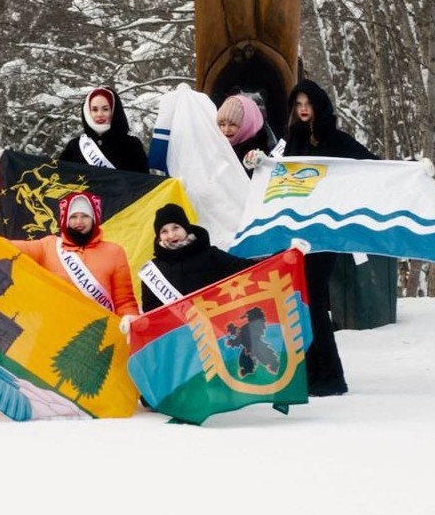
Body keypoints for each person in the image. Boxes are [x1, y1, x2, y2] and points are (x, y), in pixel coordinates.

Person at [271, 78, 379, 397]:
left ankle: (331, 376)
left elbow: (372, 164)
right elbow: (275, 173)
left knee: (315, 301)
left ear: (319, 106)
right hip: (295, 233)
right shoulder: (290, 139)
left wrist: (409, 168)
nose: (303, 109)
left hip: (325, 232)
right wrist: (257, 163)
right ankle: (310, 372)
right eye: (298, 104)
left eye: (308, 104)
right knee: (299, 301)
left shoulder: (335, 138)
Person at [0, 190, 137, 320]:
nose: (79, 222)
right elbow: (7, 248)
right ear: (65, 220)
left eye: (85, 216)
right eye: (73, 217)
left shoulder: (115, 252)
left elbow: (125, 302)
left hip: (98, 334)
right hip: (53, 330)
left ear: (94, 218)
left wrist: (130, 320)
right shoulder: (48, 246)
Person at [138, 203, 257, 312]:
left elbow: (247, 269)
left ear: (186, 228)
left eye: (176, 228)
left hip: (222, 321)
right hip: (181, 329)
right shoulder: (153, 271)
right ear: (159, 237)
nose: (171, 235)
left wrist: (268, 262)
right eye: (164, 231)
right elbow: (151, 314)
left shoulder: (211, 255)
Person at [58, 86, 149, 172]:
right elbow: (60, 177)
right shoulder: (75, 146)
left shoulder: (131, 145)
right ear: (88, 112)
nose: (100, 114)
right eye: (94, 109)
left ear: (114, 110)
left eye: (105, 109)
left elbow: (143, 181)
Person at [215, 93, 273, 176]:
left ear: (247, 124)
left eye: (233, 124)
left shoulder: (256, 153)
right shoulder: (218, 143)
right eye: (222, 124)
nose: (226, 130)